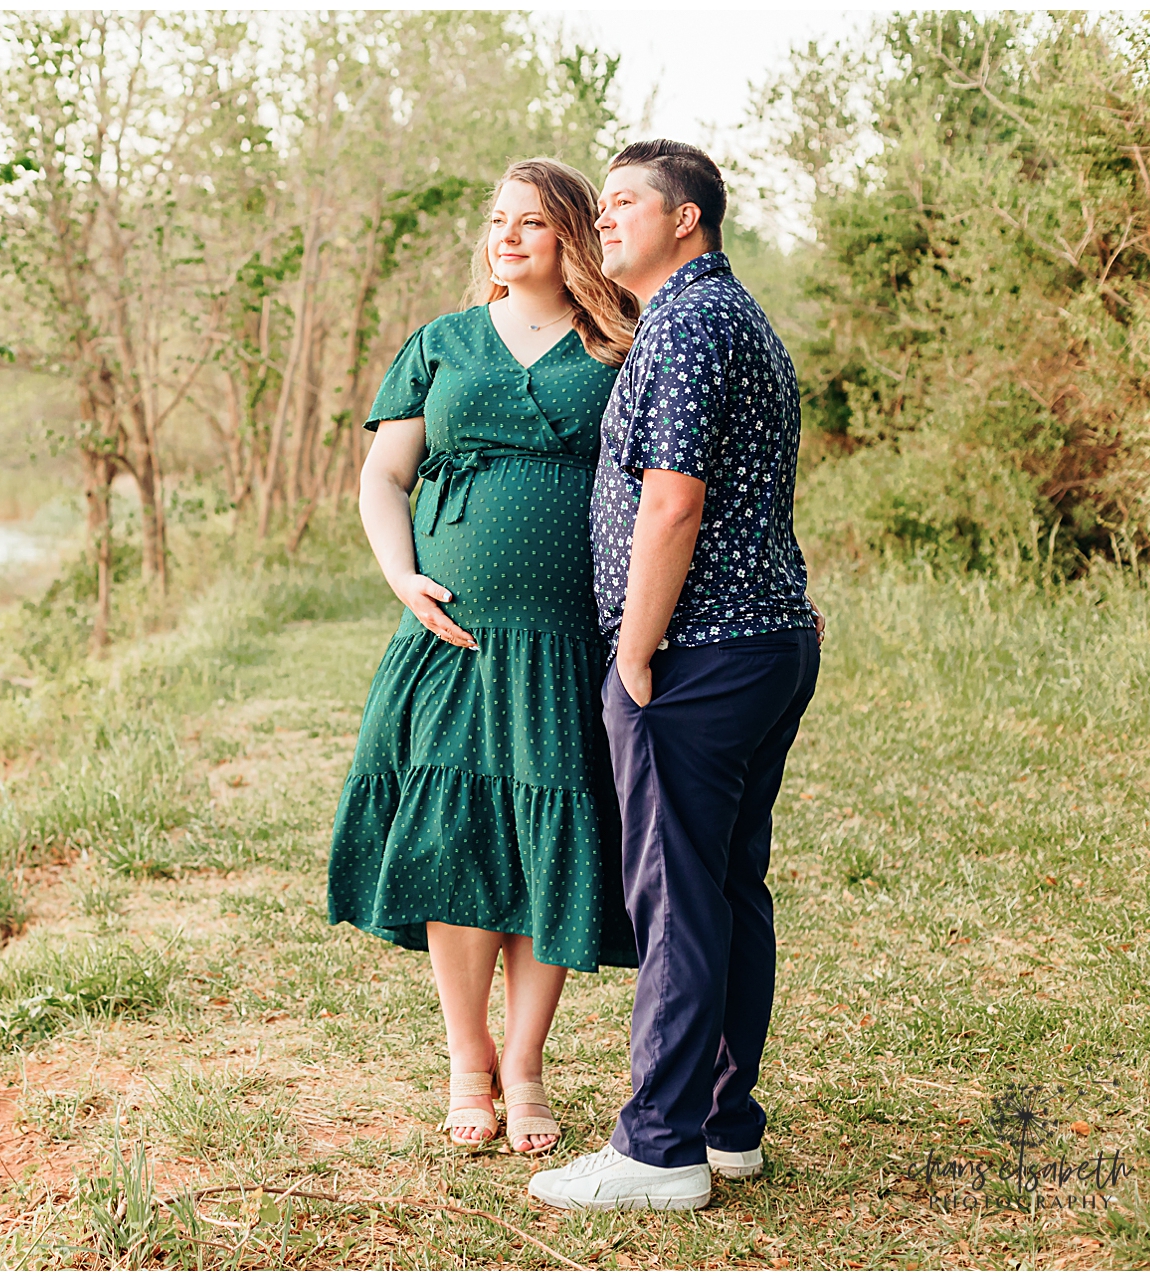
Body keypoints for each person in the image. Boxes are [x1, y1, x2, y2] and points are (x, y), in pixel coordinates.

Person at [528, 140, 823, 1211]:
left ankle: (658, 1148)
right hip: (760, 641)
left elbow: (672, 501)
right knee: (727, 887)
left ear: (683, 218)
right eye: (599, 207)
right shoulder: (721, 315)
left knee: (677, 898)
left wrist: (633, 650)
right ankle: (722, 1124)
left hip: (697, 652)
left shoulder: (689, 324)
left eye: (620, 206)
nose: (601, 222)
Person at [327, 157, 640, 1156]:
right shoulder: (444, 342)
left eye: (533, 225)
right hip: (452, 634)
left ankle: (525, 1065)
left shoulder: (615, 343)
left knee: (545, 843)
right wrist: (400, 577)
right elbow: (384, 475)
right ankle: (467, 1060)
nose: (506, 238)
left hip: (563, 641)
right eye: (498, 221)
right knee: (459, 842)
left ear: (572, 240)